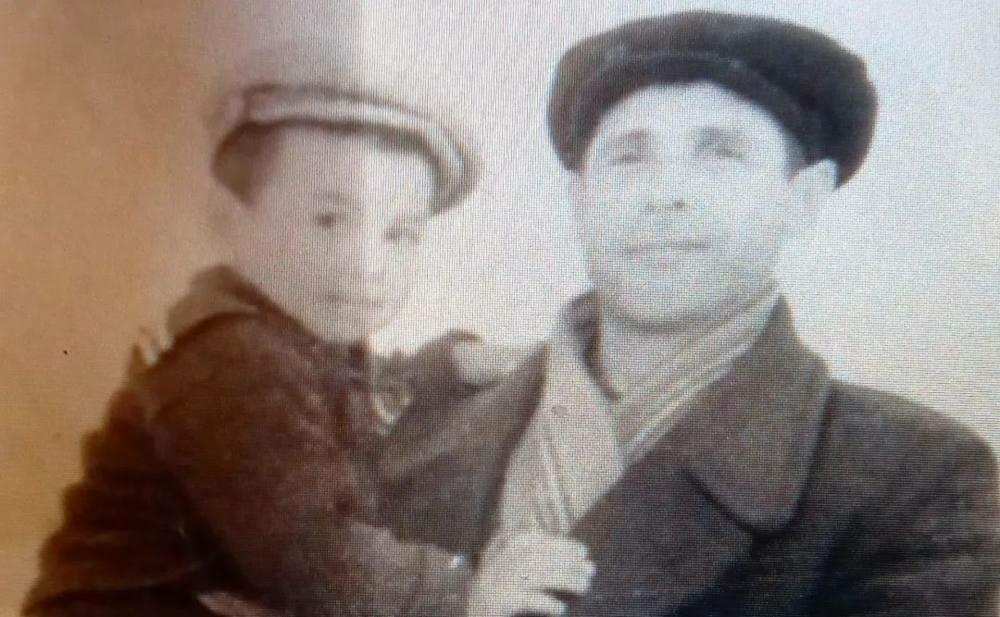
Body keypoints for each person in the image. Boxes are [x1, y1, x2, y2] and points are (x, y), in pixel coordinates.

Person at [380, 11, 1000, 616]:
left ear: (802, 198)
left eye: (719, 154)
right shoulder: (416, 427)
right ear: (580, 196)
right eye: (628, 157)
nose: (664, 194)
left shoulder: (916, 479)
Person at [23, 52, 593, 617]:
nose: (367, 267)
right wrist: (462, 590)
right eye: (329, 221)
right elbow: (319, 560)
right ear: (232, 221)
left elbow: (341, 391)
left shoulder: (285, 338)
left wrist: (441, 366)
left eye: (399, 234)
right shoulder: (230, 361)